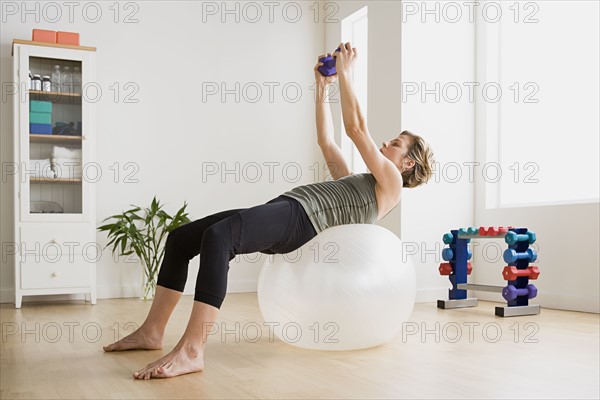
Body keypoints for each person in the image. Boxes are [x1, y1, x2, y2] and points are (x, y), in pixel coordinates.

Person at [103, 42, 435, 380]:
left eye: (394, 144)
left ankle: (192, 350)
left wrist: (346, 72)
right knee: (181, 238)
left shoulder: (390, 185)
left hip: (301, 220)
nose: (384, 144)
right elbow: (327, 141)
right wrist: (322, 89)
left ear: (407, 163)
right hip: (287, 208)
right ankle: (152, 331)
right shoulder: (359, 183)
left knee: (218, 239)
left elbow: (356, 130)